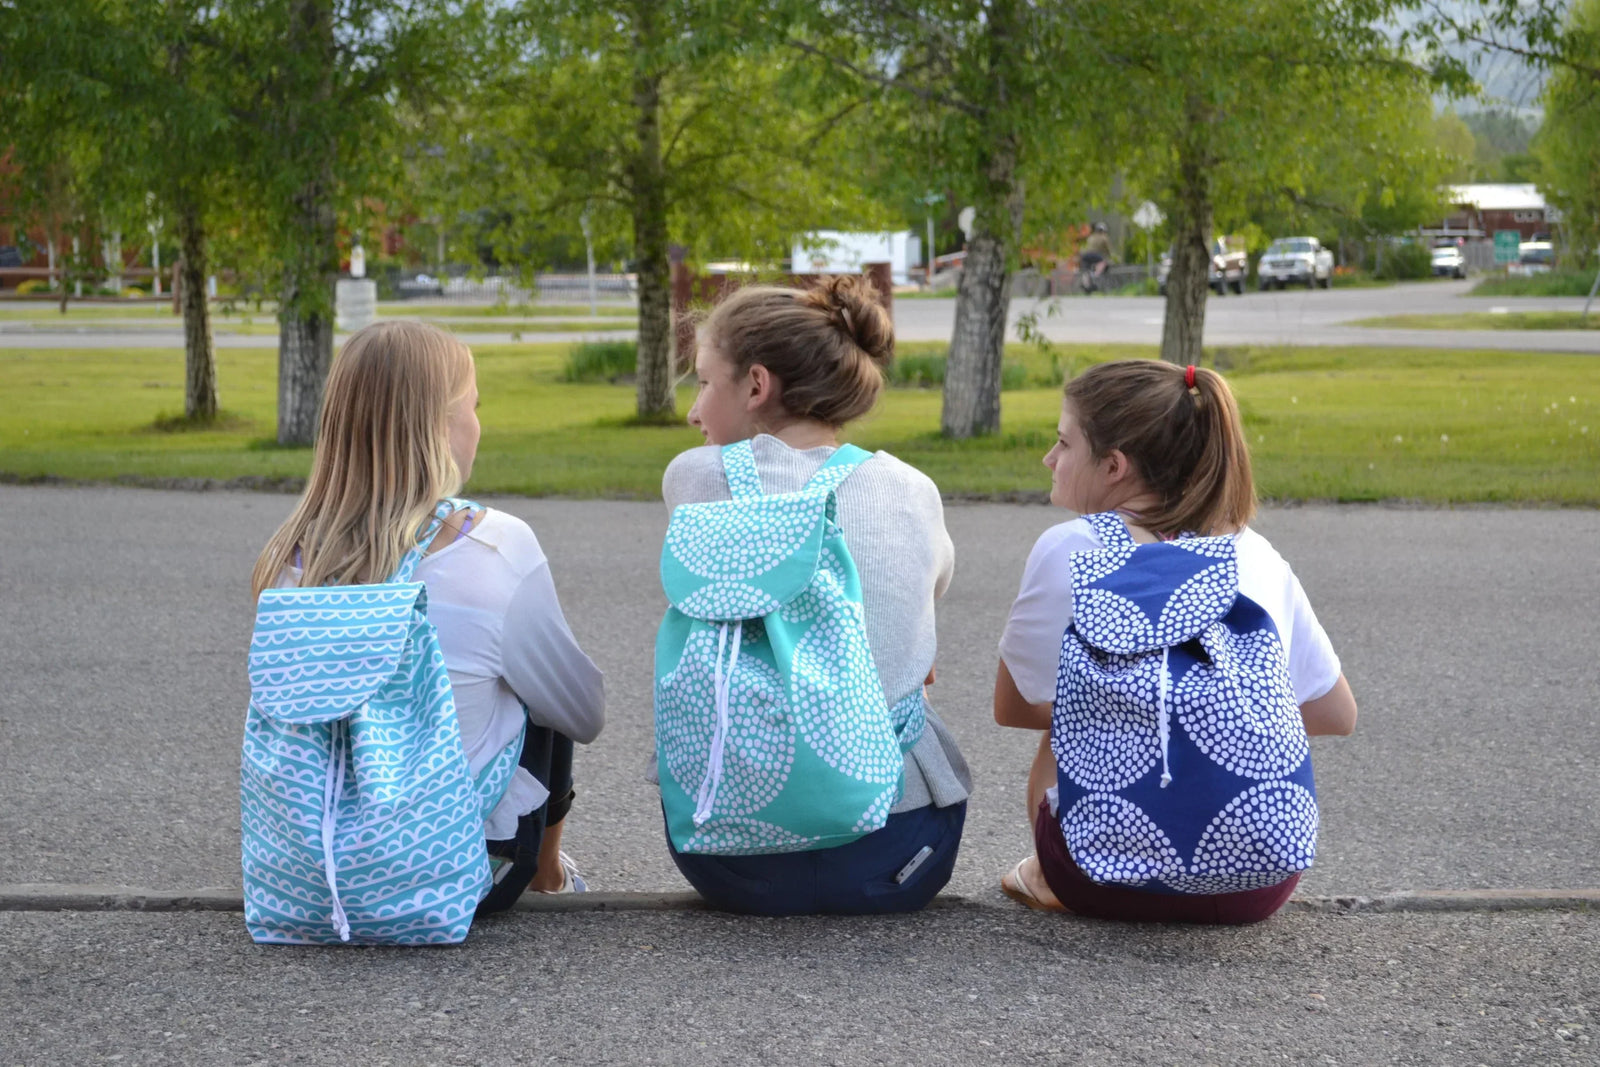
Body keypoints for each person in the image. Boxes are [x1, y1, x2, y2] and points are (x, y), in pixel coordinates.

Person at [249, 320, 605, 909]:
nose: (478, 425)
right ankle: (547, 876)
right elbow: (583, 714)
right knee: (544, 681)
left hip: (311, 880)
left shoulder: (287, 564)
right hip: (454, 878)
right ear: (439, 426)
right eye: (474, 406)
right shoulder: (496, 545)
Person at [992, 359, 1357, 924]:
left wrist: (1130, 706)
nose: (1050, 458)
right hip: (1257, 885)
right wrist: (1214, 716)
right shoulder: (1253, 552)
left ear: (1114, 466)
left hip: (1098, 880)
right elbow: (1336, 713)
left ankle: (1046, 873)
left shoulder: (1069, 548)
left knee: (1066, 718)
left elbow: (1014, 708)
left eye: (1063, 443)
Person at [657, 275, 971, 915]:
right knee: (911, 683)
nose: (693, 410)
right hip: (894, 857)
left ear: (755, 385)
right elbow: (920, 612)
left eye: (704, 381)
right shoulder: (909, 488)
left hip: (727, 860)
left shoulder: (691, 478)